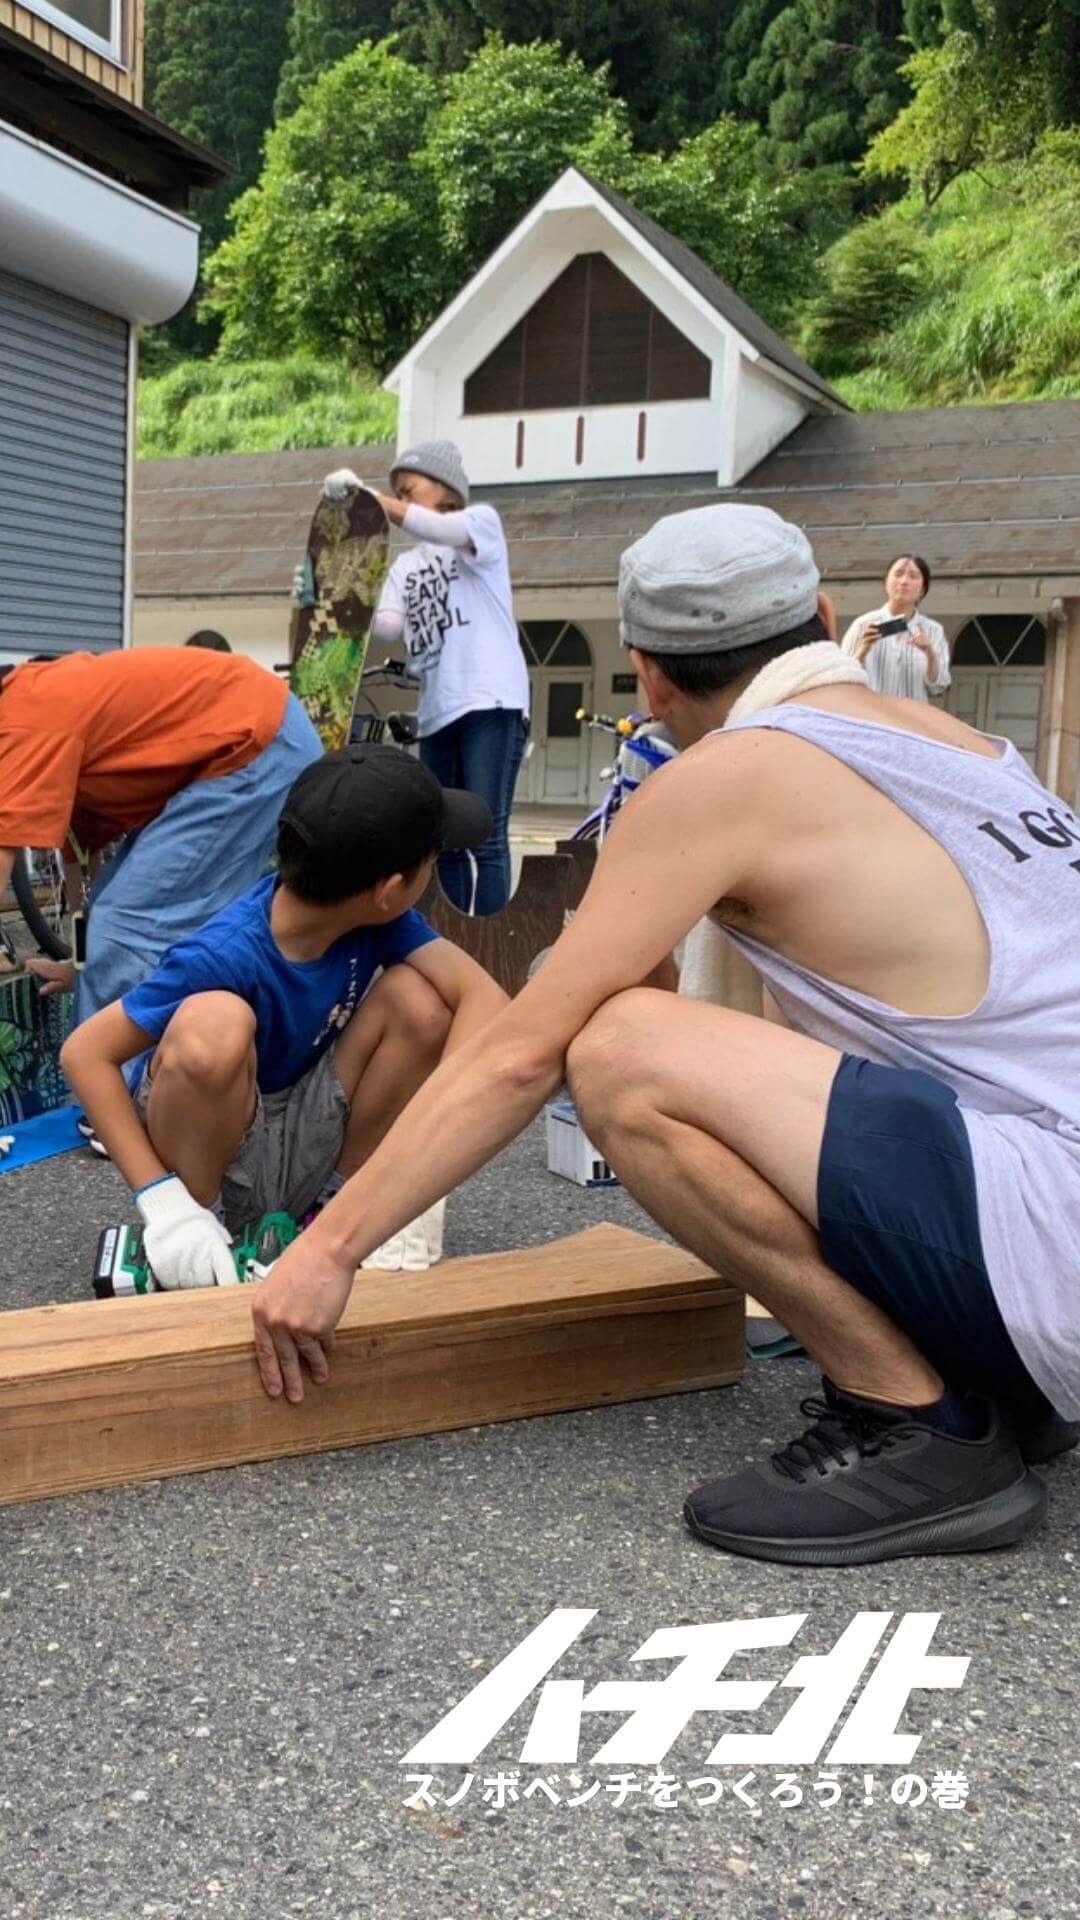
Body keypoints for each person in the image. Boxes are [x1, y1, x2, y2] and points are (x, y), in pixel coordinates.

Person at [252, 501, 1080, 1570]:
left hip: (1052, 1239)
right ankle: (1008, 1380)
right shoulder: (977, 751)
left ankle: (915, 1426)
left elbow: (528, 1049)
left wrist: (329, 1249)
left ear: (646, 676)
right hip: (1046, 1211)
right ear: (828, 618)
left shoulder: (728, 780)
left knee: (621, 1056)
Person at [61, 746, 505, 1286]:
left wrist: (423, 1155)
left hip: (307, 1138)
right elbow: (85, 1054)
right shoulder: (224, 952)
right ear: (389, 890)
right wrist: (163, 1203)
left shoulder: (379, 921)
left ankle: (338, 1210)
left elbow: (483, 1001)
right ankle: (200, 1232)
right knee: (213, 1025)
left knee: (421, 1001)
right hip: (219, 1154)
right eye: (431, 864)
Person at [0, 647, 322, 1023]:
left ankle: (119, 1077)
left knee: (127, 928)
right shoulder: (46, 731)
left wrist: (107, 957)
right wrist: (84, 966)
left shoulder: (25, 715)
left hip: (255, 742)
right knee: (119, 916)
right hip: (258, 739)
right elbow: (84, 883)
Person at [322, 442, 530, 916]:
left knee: (488, 833)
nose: (403, 496)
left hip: (490, 698)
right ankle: (452, 942)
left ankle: (495, 946)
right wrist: (338, 598)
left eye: (409, 488)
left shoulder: (480, 525)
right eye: (397, 492)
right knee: (442, 836)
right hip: (437, 710)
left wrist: (371, 500)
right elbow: (389, 629)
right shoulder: (405, 566)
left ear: (445, 487)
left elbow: (436, 527)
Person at [841, 554, 950, 700]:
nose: (904, 581)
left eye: (913, 576)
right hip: (872, 716)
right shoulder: (863, 625)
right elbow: (842, 679)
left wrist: (930, 653)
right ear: (886, 582)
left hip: (912, 719)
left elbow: (938, 686)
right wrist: (863, 649)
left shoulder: (933, 630)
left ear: (923, 589)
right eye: (898, 574)